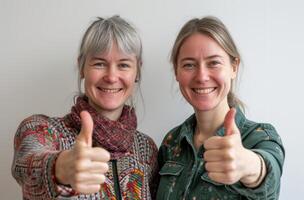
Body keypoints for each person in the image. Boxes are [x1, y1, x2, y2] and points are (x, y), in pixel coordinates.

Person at [12, 16, 158, 200]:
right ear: (82, 67)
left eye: (123, 65)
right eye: (99, 63)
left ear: (137, 71)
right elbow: (26, 167)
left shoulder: (147, 149)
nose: (112, 77)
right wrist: (60, 167)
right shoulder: (43, 130)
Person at [156, 16, 284, 199]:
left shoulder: (261, 136)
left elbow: (267, 173)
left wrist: (248, 166)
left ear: (234, 67)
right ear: (176, 71)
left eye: (214, 63)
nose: (202, 76)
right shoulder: (171, 142)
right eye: (189, 65)